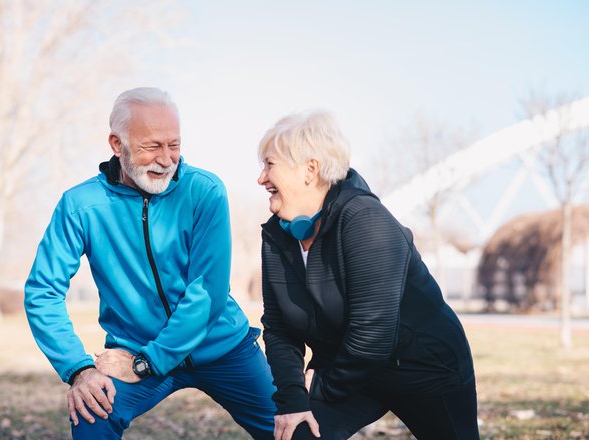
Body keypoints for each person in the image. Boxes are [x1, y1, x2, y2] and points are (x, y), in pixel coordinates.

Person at [25, 87, 276, 439]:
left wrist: (147, 363)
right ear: (117, 144)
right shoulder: (80, 205)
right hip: (134, 348)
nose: (166, 159)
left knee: (291, 430)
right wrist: (79, 369)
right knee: (92, 414)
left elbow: (208, 292)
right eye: (151, 146)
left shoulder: (204, 191)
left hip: (219, 347)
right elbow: (42, 292)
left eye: (174, 145)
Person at [256, 110, 480, 440]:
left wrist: (321, 383)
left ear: (310, 170)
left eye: (270, 164)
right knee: (299, 435)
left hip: (424, 370)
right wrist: (293, 397)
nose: (261, 178)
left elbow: (373, 332)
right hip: (350, 374)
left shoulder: (365, 220)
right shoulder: (277, 235)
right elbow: (278, 328)